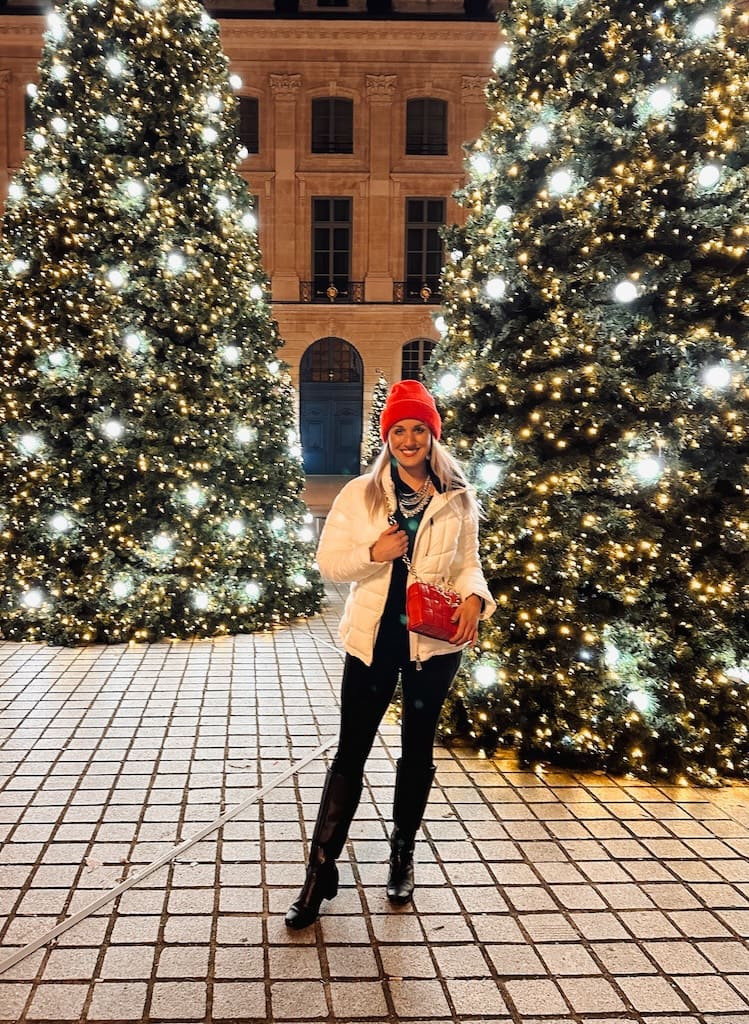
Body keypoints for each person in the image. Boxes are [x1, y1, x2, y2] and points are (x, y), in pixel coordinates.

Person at [285, 379, 496, 929]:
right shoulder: (361, 493)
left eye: (418, 430)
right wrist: (373, 552)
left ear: (432, 436)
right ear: (387, 437)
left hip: (434, 641)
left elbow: (468, 561)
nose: (408, 440)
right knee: (351, 749)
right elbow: (329, 563)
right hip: (374, 638)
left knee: (417, 750)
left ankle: (402, 853)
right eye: (398, 430)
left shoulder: (457, 495)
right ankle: (320, 869)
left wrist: (476, 596)